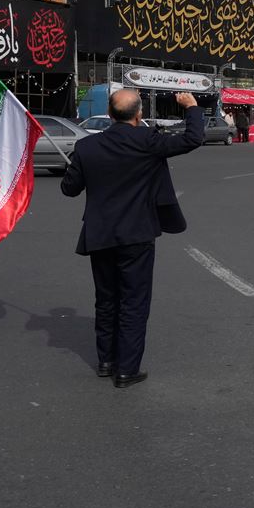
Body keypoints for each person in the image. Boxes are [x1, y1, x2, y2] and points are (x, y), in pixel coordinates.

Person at [60, 89, 205, 389]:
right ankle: (126, 369)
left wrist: (74, 165)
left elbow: (69, 189)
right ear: (138, 115)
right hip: (137, 234)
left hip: (100, 234)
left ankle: (106, 361)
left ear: (110, 115)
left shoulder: (87, 146)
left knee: (107, 299)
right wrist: (191, 107)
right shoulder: (148, 141)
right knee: (133, 302)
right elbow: (192, 138)